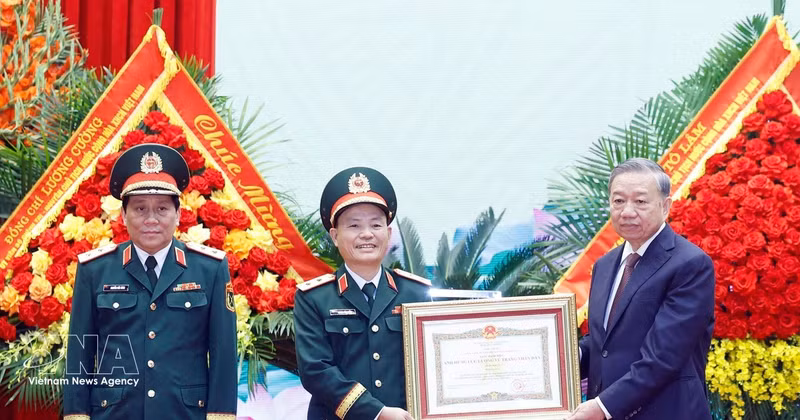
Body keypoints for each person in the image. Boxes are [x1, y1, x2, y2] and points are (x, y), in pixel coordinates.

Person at [64, 144, 237, 420]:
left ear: (179, 214)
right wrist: (77, 415)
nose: (151, 219)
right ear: (123, 215)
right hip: (116, 412)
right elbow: (80, 354)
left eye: (162, 209)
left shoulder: (210, 268)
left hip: (185, 412)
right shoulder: (94, 269)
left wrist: (221, 415)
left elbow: (224, 352)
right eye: (140, 208)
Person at [567, 158, 715, 420]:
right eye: (618, 201)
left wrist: (602, 407)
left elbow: (664, 357)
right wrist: (565, 355)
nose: (627, 211)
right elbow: (605, 342)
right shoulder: (605, 265)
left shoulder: (690, 264)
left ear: (665, 206)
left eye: (641, 201)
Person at [294, 167, 432, 420]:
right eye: (354, 225)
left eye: (376, 225)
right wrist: (376, 412)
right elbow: (316, 371)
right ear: (335, 236)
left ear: (388, 234)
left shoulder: (417, 293)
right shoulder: (313, 298)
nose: (366, 234)